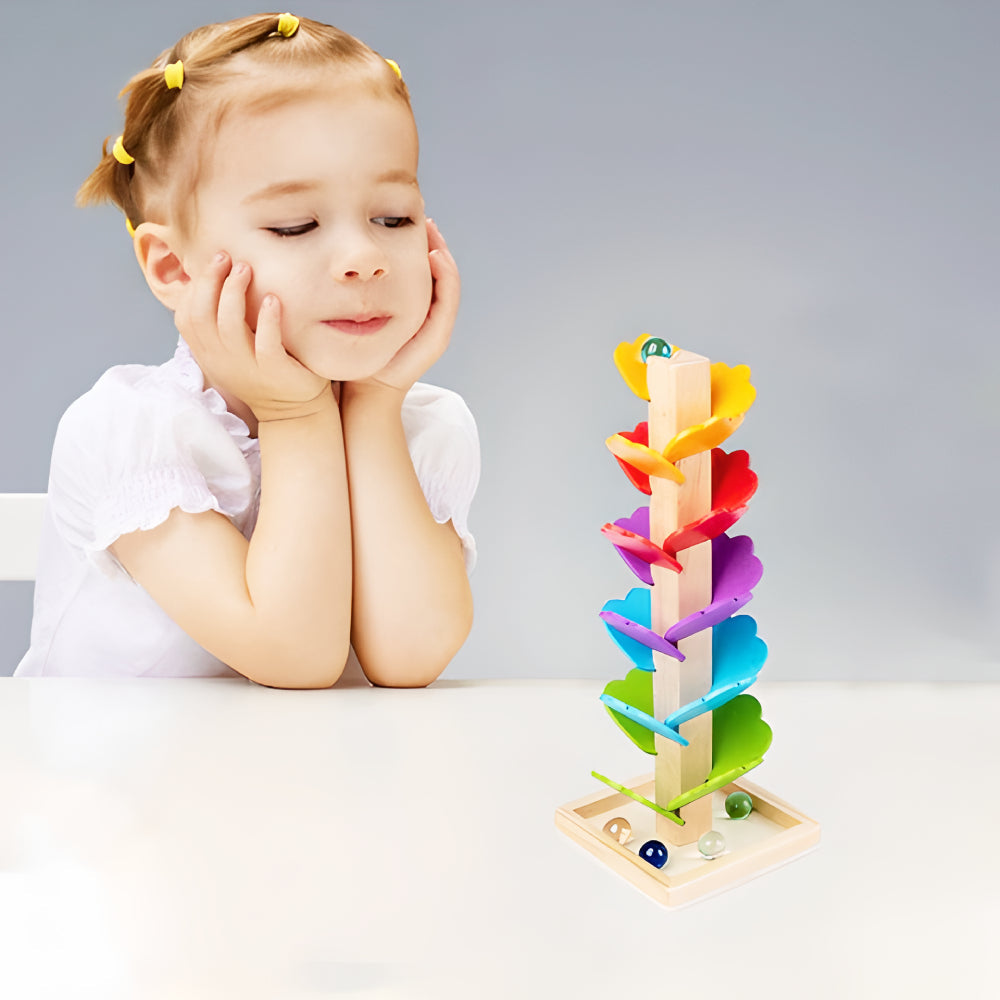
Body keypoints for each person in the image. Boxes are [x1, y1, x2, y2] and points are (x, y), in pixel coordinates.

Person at [14, 12, 479, 688]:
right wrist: (296, 415)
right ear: (175, 269)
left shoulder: (426, 426)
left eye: (393, 218)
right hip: (126, 788)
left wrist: (374, 409)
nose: (363, 258)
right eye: (295, 226)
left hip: (306, 783)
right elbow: (296, 656)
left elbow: (411, 657)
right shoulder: (129, 430)